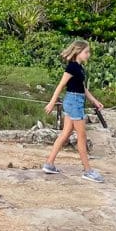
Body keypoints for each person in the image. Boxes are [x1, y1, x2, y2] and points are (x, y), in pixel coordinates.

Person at [42, 39, 107, 182]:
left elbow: (82, 88)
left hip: (75, 101)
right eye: (86, 52)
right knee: (82, 137)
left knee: (66, 133)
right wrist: (52, 102)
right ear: (78, 52)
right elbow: (61, 85)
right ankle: (87, 171)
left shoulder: (79, 68)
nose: (88, 55)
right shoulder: (71, 67)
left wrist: (94, 101)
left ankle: (49, 164)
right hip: (74, 103)